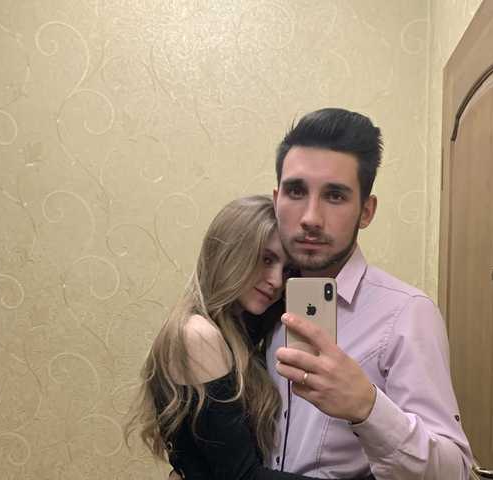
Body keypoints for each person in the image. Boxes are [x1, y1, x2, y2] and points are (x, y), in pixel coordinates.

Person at [266, 108, 474, 479]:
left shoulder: (406, 313)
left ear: (366, 211)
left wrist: (366, 406)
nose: (311, 217)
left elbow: (454, 470)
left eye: (335, 196)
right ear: (276, 198)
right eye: (296, 191)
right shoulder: (258, 301)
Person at [125, 195, 372, 480]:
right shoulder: (198, 334)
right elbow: (242, 475)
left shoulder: (240, 334)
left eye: (286, 269)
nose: (276, 281)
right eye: (266, 259)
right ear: (231, 254)